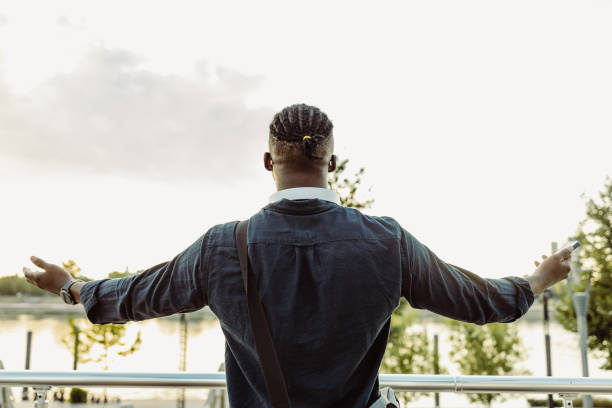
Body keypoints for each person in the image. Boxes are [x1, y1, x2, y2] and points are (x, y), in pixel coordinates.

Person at [23, 103, 573, 408]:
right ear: (333, 163)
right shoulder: (387, 241)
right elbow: (480, 303)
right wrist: (539, 279)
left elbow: (135, 296)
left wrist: (70, 287)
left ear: (268, 161)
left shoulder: (222, 246)